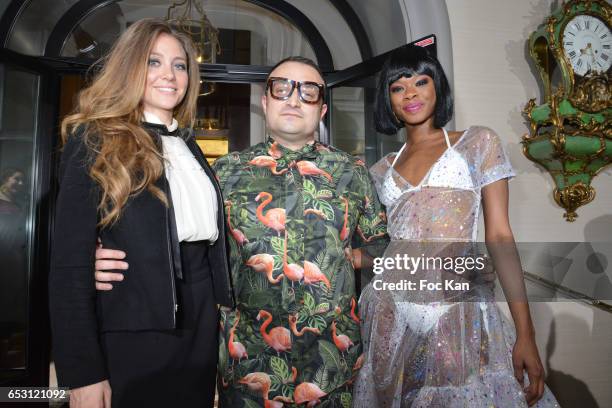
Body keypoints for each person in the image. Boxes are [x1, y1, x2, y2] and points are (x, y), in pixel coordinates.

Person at [94, 56, 388, 406]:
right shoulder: (223, 172)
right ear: (265, 103)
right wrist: (103, 255)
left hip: (330, 366)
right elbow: (180, 240)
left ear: (322, 110)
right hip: (247, 363)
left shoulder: (352, 172)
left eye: (308, 92)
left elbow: (378, 244)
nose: (293, 100)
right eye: (282, 90)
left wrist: (337, 262)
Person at [353, 46, 560, 407]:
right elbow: (393, 249)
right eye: (398, 87)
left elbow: (499, 237)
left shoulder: (477, 143)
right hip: (391, 309)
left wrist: (525, 333)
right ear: (387, 99)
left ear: (438, 88)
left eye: (421, 81)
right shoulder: (380, 170)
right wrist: (358, 258)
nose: (411, 93)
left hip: (457, 309)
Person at [49, 18, 232, 408]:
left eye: (179, 65)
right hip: (133, 321)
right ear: (130, 67)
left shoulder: (190, 145)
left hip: (200, 321)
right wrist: (82, 372)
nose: (169, 74)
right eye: (153, 62)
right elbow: (67, 266)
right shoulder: (95, 138)